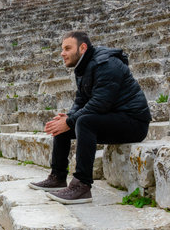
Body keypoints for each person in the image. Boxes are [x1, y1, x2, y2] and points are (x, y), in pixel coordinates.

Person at [29, 31, 151, 204]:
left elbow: (100, 104)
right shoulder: (83, 66)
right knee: (64, 124)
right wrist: (68, 118)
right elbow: (80, 101)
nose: (62, 53)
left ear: (83, 47)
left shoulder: (106, 64)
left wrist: (71, 121)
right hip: (112, 117)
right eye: (62, 49)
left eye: (67, 48)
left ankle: (82, 186)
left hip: (133, 122)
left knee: (84, 122)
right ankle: (57, 176)